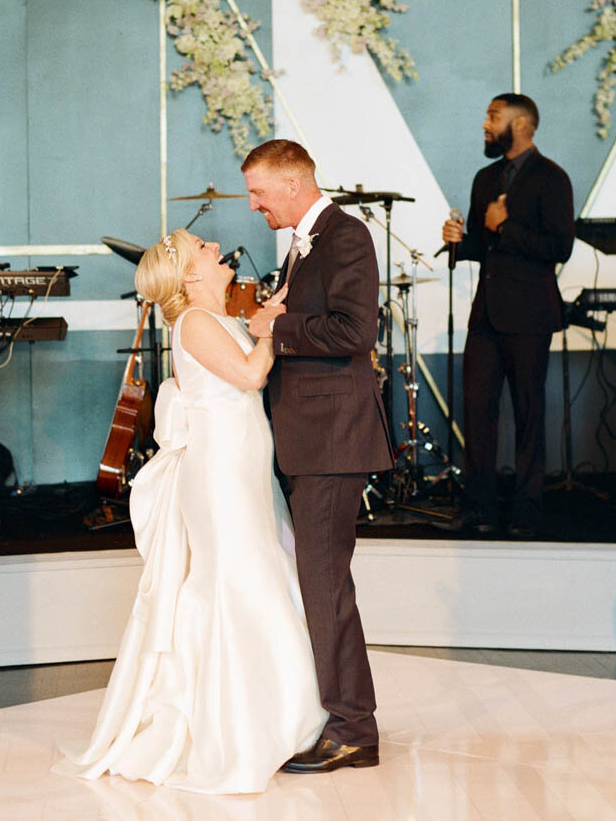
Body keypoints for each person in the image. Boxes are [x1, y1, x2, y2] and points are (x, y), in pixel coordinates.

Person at [58, 230, 323, 793]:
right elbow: (252, 375)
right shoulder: (196, 323)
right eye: (203, 247)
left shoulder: (215, 320)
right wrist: (273, 329)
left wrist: (264, 323)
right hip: (222, 474)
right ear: (190, 275)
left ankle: (271, 711)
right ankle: (246, 726)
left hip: (240, 466)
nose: (216, 249)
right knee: (238, 582)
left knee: (257, 574)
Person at [241, 138, 390, 774]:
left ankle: (354, 728)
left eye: (259, 192)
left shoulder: (345, 235)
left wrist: (277, 328)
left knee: (326, 585)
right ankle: (343, 718)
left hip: (332, 436)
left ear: (294, 183)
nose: (253, 205)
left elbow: (356, 332)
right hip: (313, 435)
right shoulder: (309, 241)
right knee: (322, 584)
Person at [438, 93, 575, 537]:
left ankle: (526, 509)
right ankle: (478, 506)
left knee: (528, 413)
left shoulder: (552, 179)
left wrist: (504, 226)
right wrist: (459, 240)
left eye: (493, 116)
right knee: (477, 411)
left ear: (522, 125)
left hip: (531, 314)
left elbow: (559, 249)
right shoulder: (485, 178)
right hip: (486, 315)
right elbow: (482, 245)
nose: (484, 123)